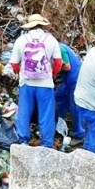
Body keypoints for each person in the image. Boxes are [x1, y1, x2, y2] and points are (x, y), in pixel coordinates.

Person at [9, 14, 63, 147]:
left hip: (26, 83)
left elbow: (14, 64)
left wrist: (19, 72)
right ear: (42, 25)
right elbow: (58, 62)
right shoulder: (51, 40)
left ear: (29, 26)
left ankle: (23, 141)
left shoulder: (21, 40)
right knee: (46, 114)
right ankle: (47, 143)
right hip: (45, 84)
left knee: (24, 112)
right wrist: (53, 75)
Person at [55, 42, 85, 142]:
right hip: (68, 80)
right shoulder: (57, 47)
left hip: (75, 79)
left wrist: (53, 69)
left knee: (74, 106)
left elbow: (67, 66)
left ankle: (79, 133)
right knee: (59, 99)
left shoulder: (60, 49)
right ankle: (59, 127)